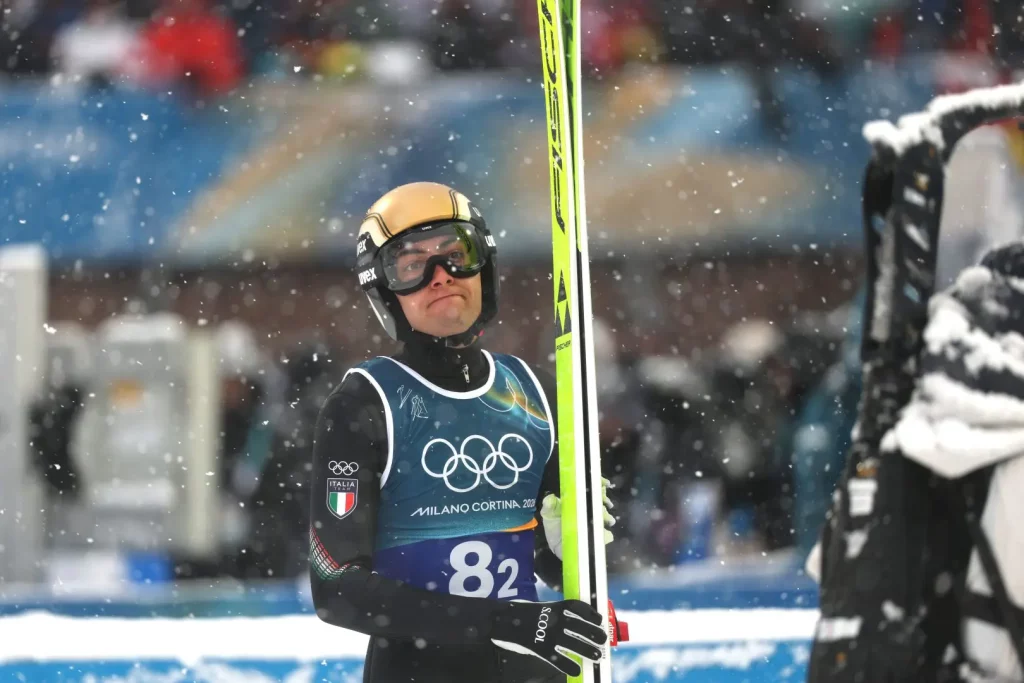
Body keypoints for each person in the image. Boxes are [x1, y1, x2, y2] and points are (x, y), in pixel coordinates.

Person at [308, 182, 614, 683]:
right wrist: (508, 622)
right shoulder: (365, 403)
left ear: (484, 267)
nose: (441, 276)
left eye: (456, 253)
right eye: (412, 266)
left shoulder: (525, 388)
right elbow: (335, 587)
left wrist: (567, 551)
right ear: (386, 294)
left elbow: (543, 568)